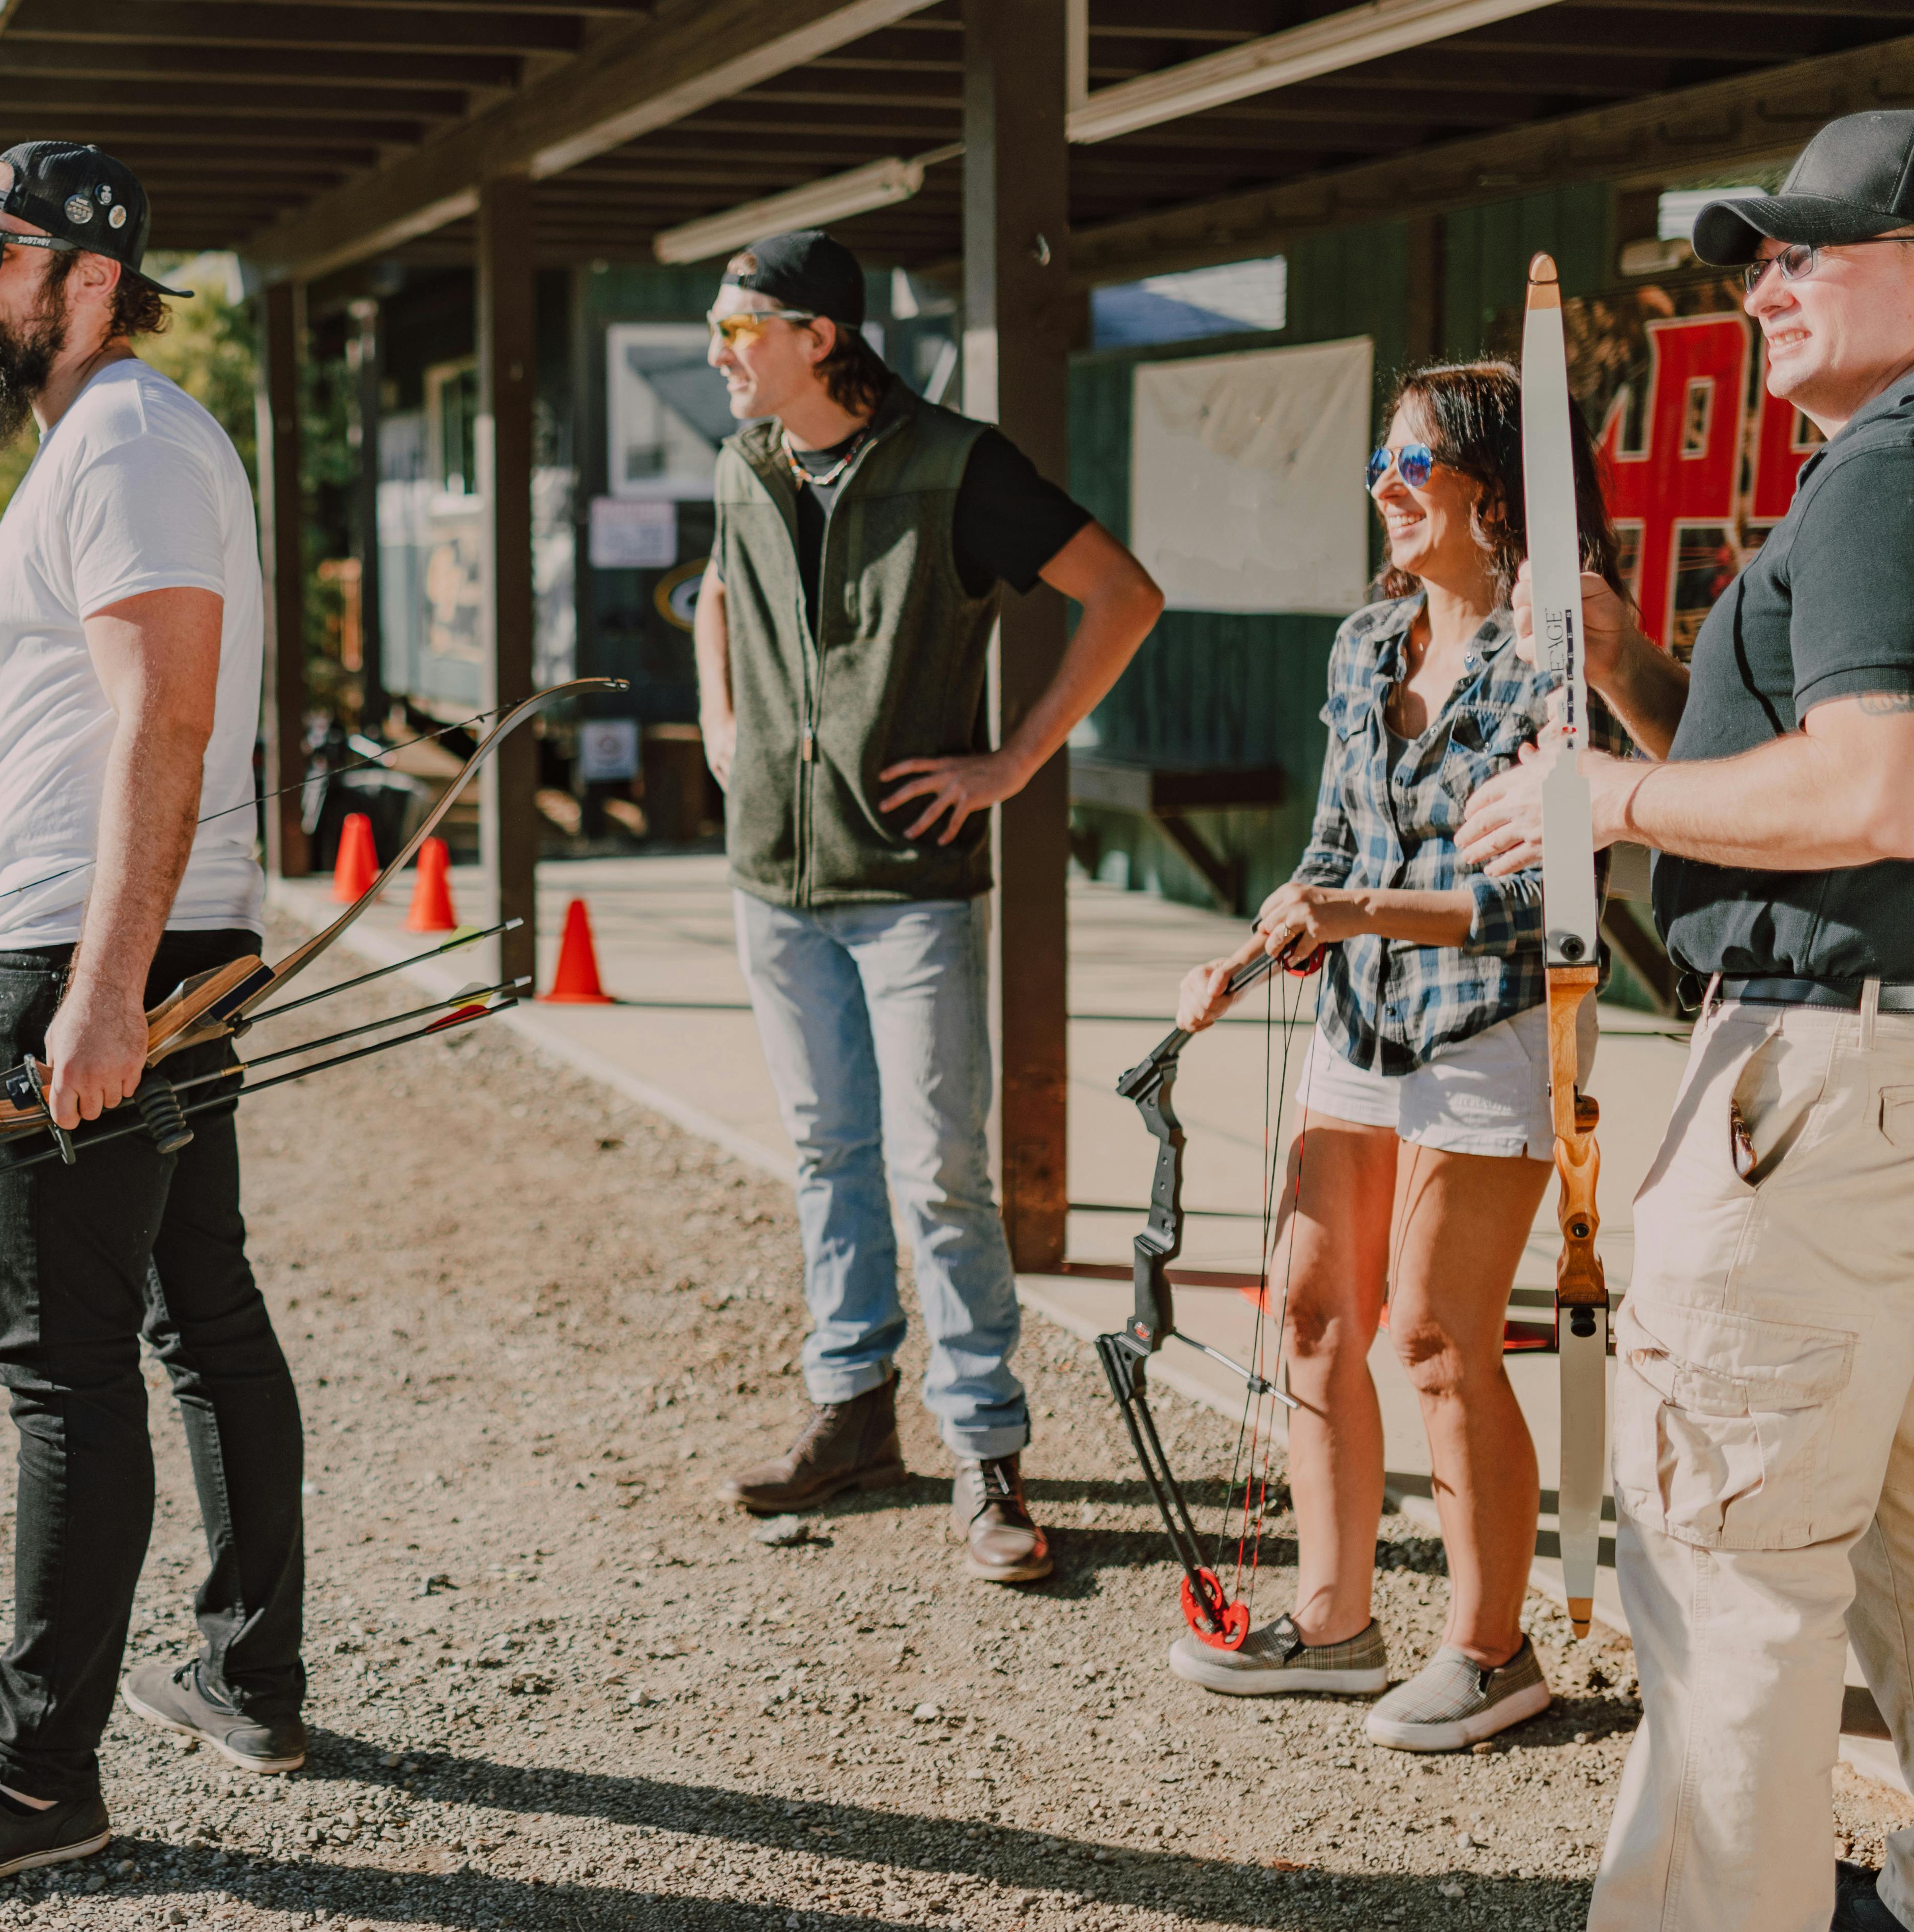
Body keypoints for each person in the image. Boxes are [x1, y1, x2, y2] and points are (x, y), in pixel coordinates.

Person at [0, 142, 306, 1898]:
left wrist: (98, 994)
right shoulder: (104, 446)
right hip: (129, 944)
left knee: (62, 1366)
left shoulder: (130, 444)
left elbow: (162, 723)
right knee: (199, 1313)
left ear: (91, 276)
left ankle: (37, 1782)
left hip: (100, 959)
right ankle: (248, 1675)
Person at [1459, 110, 1914, 1932]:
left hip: (1816, 1083)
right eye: (1755, 256)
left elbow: (1878, 790)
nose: (1766, 283)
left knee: (1728, 1593)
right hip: (1878, 1078)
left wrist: (1608, 809)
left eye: (1812, 247)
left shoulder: (1886, 468)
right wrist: (1640, 683)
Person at [1161, 364, 1623, 1752]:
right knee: (1307, 1311)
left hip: (1496, 1028)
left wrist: (1356, 909)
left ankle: (1492, 1652)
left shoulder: (1558, 657)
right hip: (1357, 1019)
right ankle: (1334, 1617)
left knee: (1433, 1337)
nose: (1386, 486)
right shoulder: (1364, 644)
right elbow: (1330, 848)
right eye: (1383, 460)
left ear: (1493, 495)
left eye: (1412, 466)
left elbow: (1549, 896)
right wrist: (1250, 954)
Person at [693, 229, 1166, 1582]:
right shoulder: (745, 463)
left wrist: (1013, 763)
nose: (719, 356)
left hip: (907, 887)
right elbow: (717, 592)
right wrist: (723, 719)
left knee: (940, 1175)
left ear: (817, 337)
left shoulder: (960, 467)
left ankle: (986, 1455)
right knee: (825, 1154)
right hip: (770, 884)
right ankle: (850, 1420)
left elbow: (1124, 597)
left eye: (738, 331)